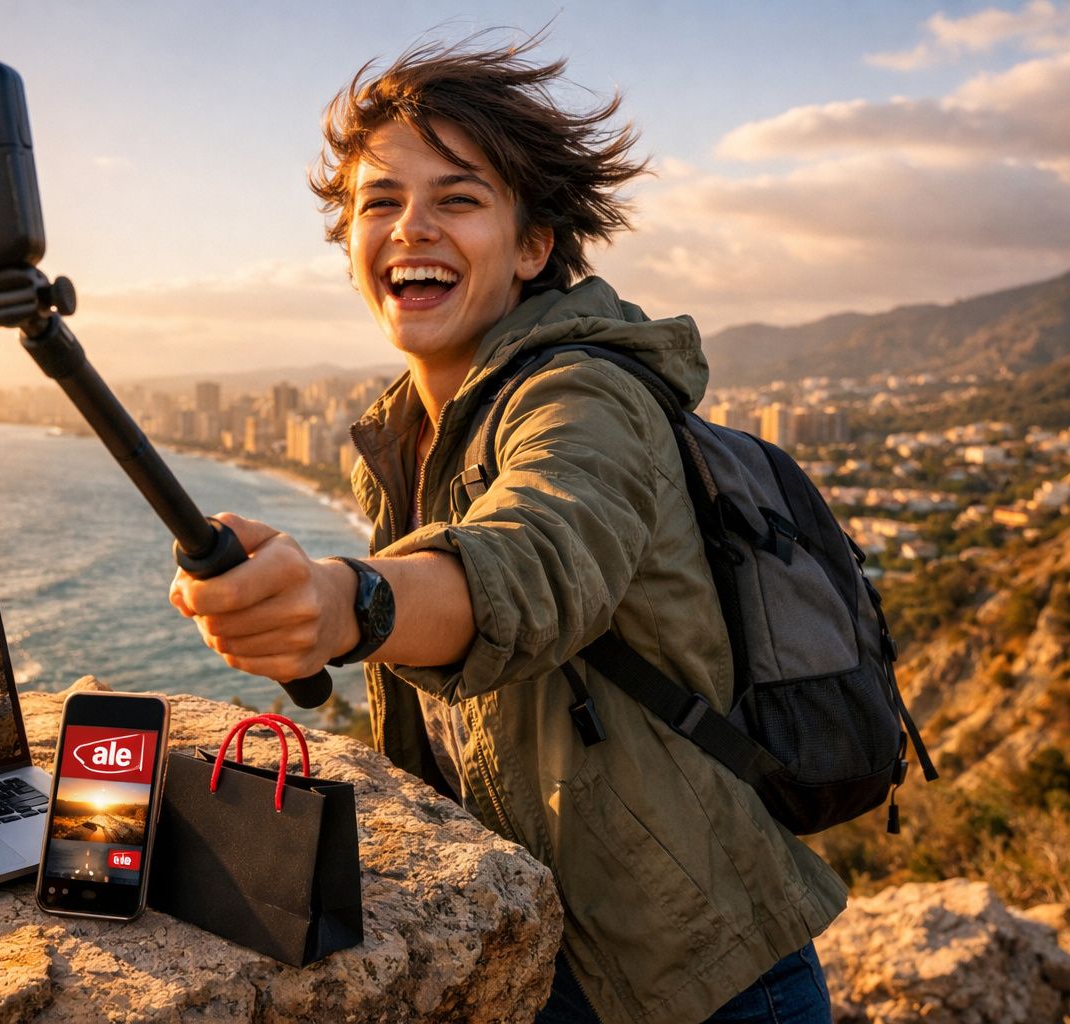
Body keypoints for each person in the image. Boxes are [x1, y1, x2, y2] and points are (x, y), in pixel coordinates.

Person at [169, 36, 845, 1023]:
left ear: (533, 247)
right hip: (540, 945)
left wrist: (347, 600)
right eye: (380, 202)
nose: (411, 227)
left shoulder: (586, 394)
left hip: (704, 976)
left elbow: (535, 562)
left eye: (458, 198)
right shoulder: (406, 434)